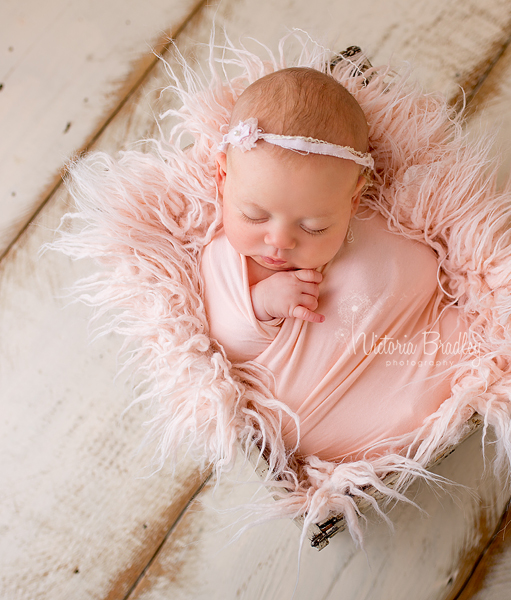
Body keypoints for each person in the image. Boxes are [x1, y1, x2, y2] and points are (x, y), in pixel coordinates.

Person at [200, 67, 468, 461]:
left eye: (314, 226)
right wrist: (260, 305)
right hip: (321, 426)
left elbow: (422, 275)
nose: (279, 241)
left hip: (430, 369)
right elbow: (224, 343)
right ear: (223, 177)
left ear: (355, 198)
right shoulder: (221, 256)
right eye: (255, 216)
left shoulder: (372, 221)